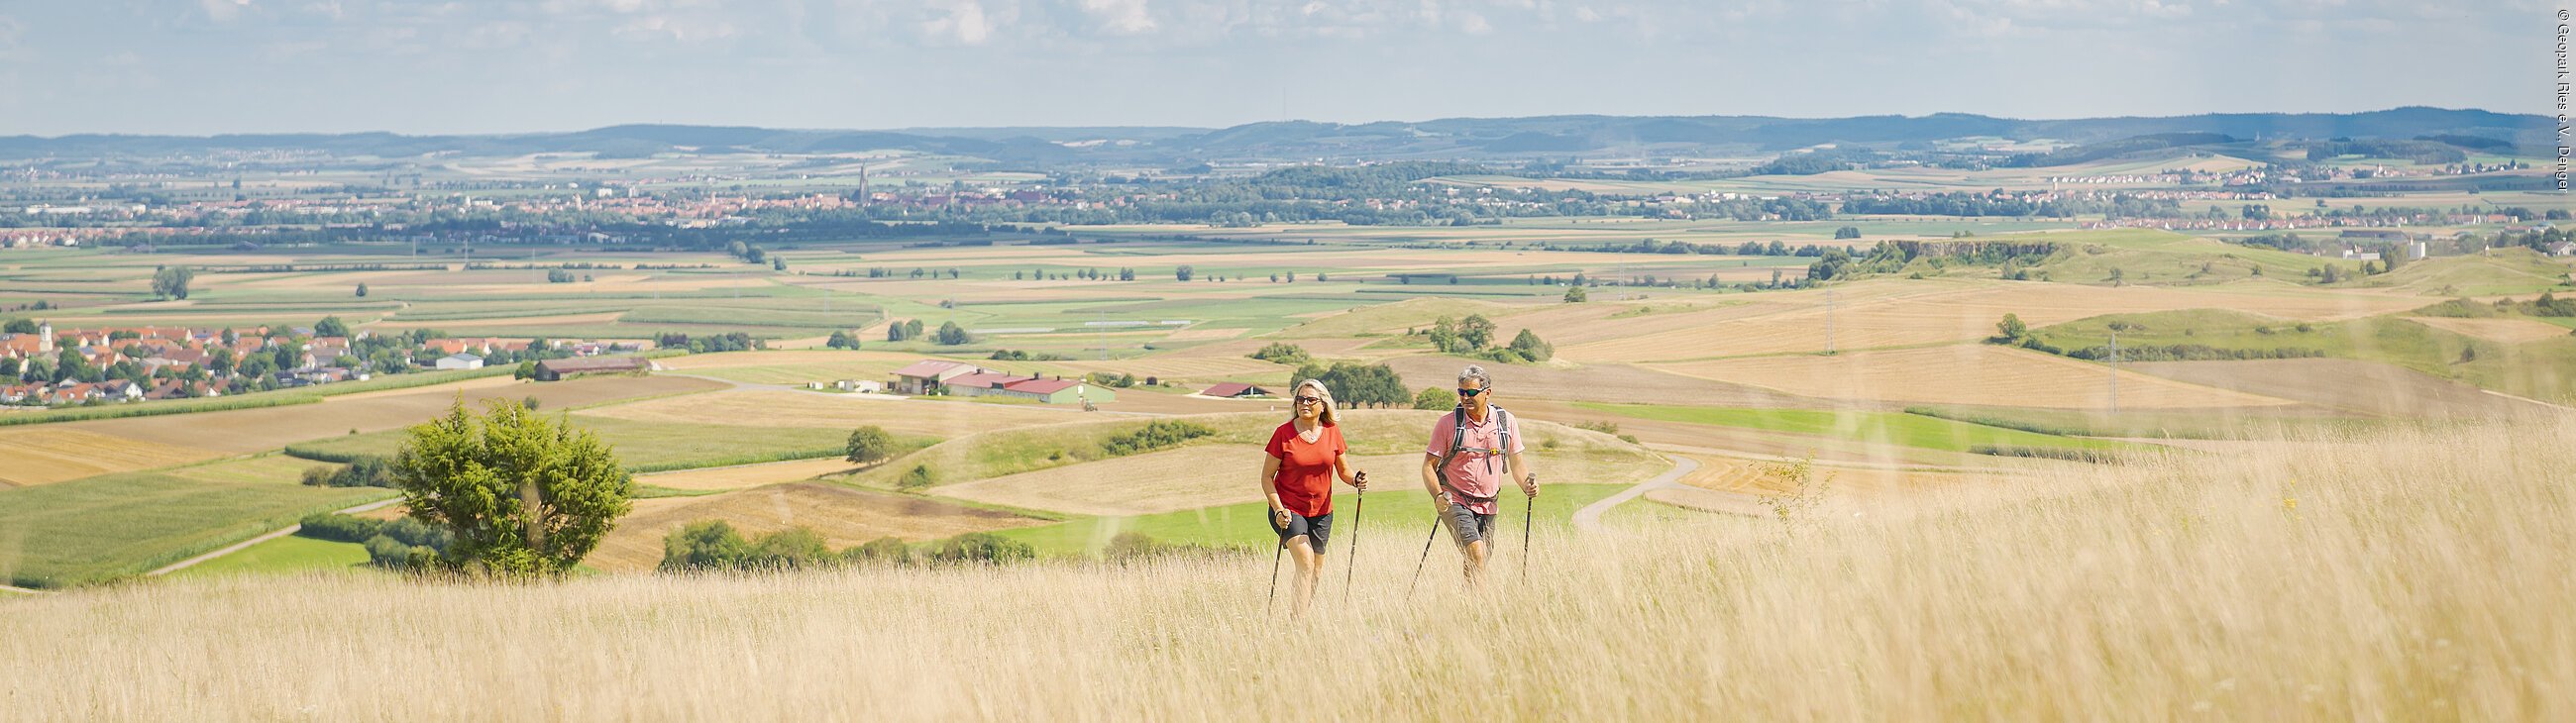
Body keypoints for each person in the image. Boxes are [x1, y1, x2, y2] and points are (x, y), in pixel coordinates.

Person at [1419, 364, 1538, 584]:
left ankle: (1469, 604)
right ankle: (1482, 605)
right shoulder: (1447, 424)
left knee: (1477, 560)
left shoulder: (1506, 422)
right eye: (1461, 392)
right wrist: (1437, 496)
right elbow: (1429, 466)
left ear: (1487, 393)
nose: (1466, 397)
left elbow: (1517, 463)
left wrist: (1526, 487)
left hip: (1489, 503)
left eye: (1471, 393)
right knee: (1476, 552)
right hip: (1454, 499)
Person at [1260, 378, 1367, 612]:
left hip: (1322, 512)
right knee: (1306, 563)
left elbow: (1344, 471)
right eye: (1300, 399)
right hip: (1288, 510)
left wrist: (1355, 481)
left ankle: (1303, 614)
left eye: (1310, 399)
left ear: (1323, 404)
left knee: (1316, 570)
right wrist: (1279, 509)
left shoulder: (1332, 432)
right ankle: (1296, 624)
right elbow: (1267, 477)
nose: (1304, 403)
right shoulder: (1283, 434)